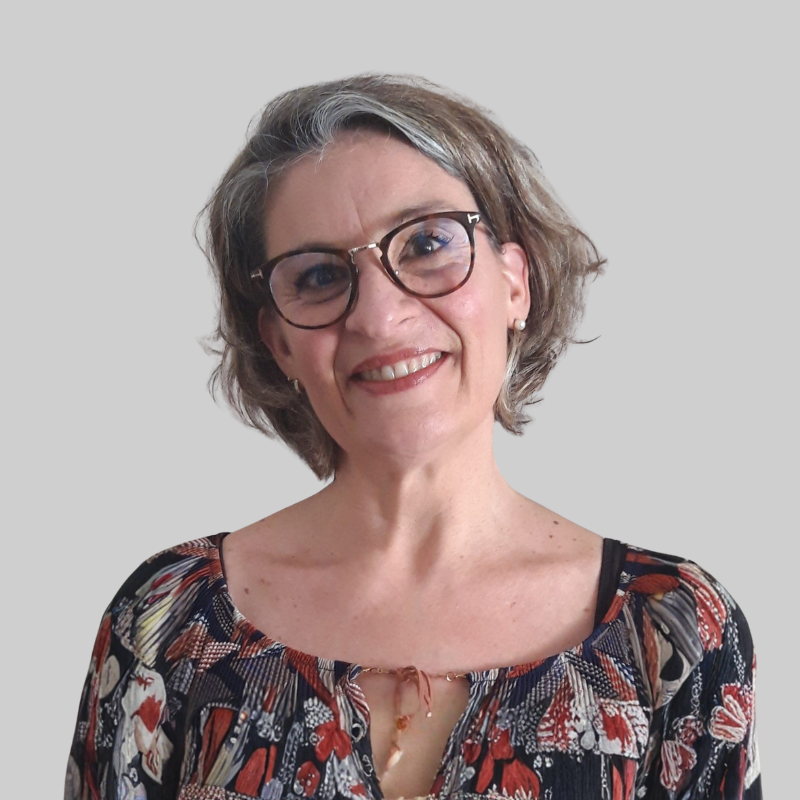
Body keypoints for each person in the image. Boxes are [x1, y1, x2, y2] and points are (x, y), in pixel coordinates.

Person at [65, 74, 761, 800]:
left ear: (514, 282)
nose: (378, 316)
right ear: (278, 342)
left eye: (427, 242)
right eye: (319, 275)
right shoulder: (167, 621)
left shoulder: (675, 630)